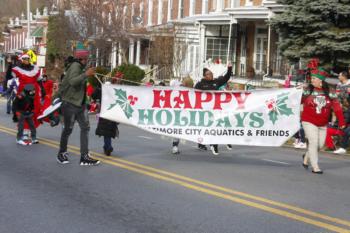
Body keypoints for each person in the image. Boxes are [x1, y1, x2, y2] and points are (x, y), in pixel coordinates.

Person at [55, 52, 100, 165]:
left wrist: (87, 102)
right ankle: (62, 153)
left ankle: (84, 156)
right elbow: (73, 81)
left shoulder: (79, 67)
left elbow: (81, 90)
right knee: (68, 129)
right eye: (87, 59)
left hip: (80, 104)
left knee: (85, 128)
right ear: (82, 59)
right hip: (70, 103)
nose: (88, 61)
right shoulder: (75, 66)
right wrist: (86, 74)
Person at [301, 67, 345, 174]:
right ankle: (315, 167)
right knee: (313, 142)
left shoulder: (330, 91)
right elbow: (297, 100)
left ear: (321, 81)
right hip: (308, 120)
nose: (312, 80)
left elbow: (337, 107)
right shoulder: (308, 90)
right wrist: (297, 91)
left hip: (322, 123)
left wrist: (342, 121)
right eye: (311, 78)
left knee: (319, 145)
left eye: (314, 79)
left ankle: (306, 156)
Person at [194, 63, 233, 155]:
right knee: (206, 128)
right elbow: (193, 95)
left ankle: (214, 145)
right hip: (204, 111)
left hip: (215, 110)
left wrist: (229, 68)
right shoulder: (200, 84)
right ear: (204, 76)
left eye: (211, 73)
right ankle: (202, 142)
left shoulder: (216, 82)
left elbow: (226, 78)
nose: (211, 75)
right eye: (208, 74)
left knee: (216, 127)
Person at [91, 81, 119, 156]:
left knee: (107, 132)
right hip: (105, 115)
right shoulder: (102, 93)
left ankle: (107, 147)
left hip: (109, 115)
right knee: (107, 132)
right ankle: (107, 147)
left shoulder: (112, 93)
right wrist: (98, 86)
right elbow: (93, 96)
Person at [171, 76, 194, 154]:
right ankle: (175, 147)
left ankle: (200, 143)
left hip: (188, 113)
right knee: (177, 130)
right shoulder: (178, 89)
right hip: (178, 112)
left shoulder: (192, 91)